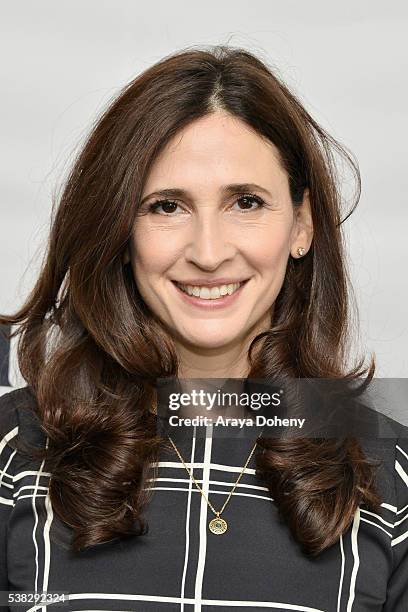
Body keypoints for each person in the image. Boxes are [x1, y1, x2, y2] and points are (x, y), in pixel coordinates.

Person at [0, 44, 407, 612]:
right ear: (120, 230)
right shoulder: (12, 452)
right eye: (167, 206)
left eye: (246, 201)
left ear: (302, 225)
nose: (209, 253)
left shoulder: (392, 473)